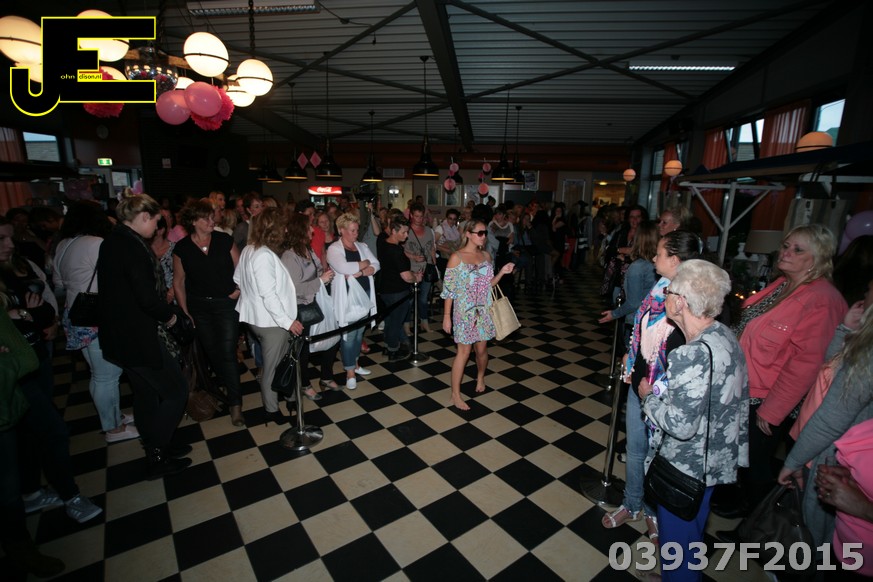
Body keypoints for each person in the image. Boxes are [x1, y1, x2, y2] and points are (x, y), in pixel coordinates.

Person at [713, 224, 848, 519]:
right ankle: (743, 506)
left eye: (798, 250)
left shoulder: (822, 299)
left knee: (759, 466)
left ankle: (760, 528)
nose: (786, 253)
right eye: (786, 246)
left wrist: (772, 410)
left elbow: (807, 364)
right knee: (743, 459)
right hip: (747, 387)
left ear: (818, 258)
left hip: (769, 398)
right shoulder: (783, 283)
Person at [638, 260, 749, 582]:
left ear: (680, 302)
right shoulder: (724, 335)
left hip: (687, 467)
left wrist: (648, 398)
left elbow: (680, 425)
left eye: (669, 292)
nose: (665, 297)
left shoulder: (691, 355)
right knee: (690, 537)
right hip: (714, 460)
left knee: (679, 547)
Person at [601, 230, 702, 541]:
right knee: (635, 449)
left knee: (658, 456)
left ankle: (654, 511)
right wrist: (631, 359)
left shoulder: (695, 299)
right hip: (639, 381)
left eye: (659, 253)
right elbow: (641, 327)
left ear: (675, 260)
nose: (654, 257)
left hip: (666, 393)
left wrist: (655, 387)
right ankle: (632, 503)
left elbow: (693, 354)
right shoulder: (660, 287)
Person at [97, 195, 192, 481]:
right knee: (176, 390)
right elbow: (146, 299)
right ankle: (158, 453)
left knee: (146, 393)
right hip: (136, 335)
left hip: (120, 335)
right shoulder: (131, 247)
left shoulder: (113, 241)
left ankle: (158, 444)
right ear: (143, 217)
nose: (157, 227)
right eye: (155, 220)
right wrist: (172, 318)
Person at [776, 276, 873, 552]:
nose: (865, 296)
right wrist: (846, 329)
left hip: (830, 453)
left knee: (818, 534)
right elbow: (830, 368)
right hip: (815, 442)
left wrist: (793, 461)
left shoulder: (869, 354)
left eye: (869, 289)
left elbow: (832, 419)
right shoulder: (863, 342)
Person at [53, 202, 138, 443]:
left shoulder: (63, 244)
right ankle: (113, 429)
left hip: (76, 315)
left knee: (98, 374)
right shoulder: (96, 243)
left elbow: (58, 283)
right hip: (98, 316)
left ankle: (114, 417)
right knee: (107, 375)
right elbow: (114, 279)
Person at [0, 310, 66, 578]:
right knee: (7, 489)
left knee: (12, 478)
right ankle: (20, 549)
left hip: (9, 400)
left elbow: (27, 357)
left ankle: (22, 538)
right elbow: (25, 359)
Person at [173, 200, 245, 427]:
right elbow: (179, 282)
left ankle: (235, 404)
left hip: (226, 305)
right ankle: (226, 386)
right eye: (206, 218)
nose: (212, 221)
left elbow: (242, 269)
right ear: (193, 221)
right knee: (213, 353)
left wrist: (239, 290)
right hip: (200, 308)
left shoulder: (224, 240)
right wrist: (185, 312)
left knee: (227, 352)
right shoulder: (182, 248)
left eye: (212, 217)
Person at [235, 207, 304, 425]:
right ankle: (271, 410)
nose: (286, 230)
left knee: (281, 362)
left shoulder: (249, 249)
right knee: (273, 367)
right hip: (271, 322)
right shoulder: (263, 254)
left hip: (258, 319)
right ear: (274, 229)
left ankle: (290, 398)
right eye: (283, 227)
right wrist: (288, 322)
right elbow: (269, 295)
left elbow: (238, 279)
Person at [441, 220, 514, 411]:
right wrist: (447, 316)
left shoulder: (486, 256)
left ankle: (480, 376)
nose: (484, 236)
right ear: (468, 234)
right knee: (463, 353)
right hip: (463, 312)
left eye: (485, 233)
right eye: (480, 233)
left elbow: (489, 284)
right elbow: (449, 290)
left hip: (484, 310)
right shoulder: (456, 258)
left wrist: (502, 273)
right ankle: (455, 394)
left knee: (481, 351)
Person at [280, 212, 340, 398]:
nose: (312, 230)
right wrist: (320, 281)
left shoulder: (308, 250)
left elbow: (318, 269)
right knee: (303, 349)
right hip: (301, 307)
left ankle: (326, 376)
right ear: (300, 230)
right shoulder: (289, 256)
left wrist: (324, 276)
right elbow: (294, 288)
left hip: (317, 300)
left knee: (331, 337)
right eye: (308, 227)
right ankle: (304, 384)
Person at [327, 212, 380, 390]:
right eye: (352, 230)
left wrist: (363, 270)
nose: (356, 234)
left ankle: (355, 364)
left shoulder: (361, 246)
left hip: (364, 294)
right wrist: (364, 263)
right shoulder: (334, 249)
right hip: (347, 298)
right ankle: (349, 371)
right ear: (341, 230)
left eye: (357, 230)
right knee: (348, 335)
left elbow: (376, 264)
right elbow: (343, 267)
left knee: (359, 333)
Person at [598, 220, 659, 343]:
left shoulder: (637, 267)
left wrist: (614, 314)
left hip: (638, 320)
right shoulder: (657, 263)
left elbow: (633, 303)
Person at [377, 215, 421, 362]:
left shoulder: (383, 243)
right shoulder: (396, 250)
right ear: (394, 231)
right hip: (397, 291)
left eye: (407, 232)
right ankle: (393, 350)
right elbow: (406, 277)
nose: (406, 235)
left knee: (390, 320)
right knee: (395, 322)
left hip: (385, 289)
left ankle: (389, 346)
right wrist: (416, 278)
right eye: (403, 232)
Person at [404, 203, 436, 333]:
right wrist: (413, 257)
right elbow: (400, 250)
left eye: (421, 216)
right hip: (411, 268)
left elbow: (432, 247)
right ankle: (406, 324)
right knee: (410, 299)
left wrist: (434, 263)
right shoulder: (406, 230)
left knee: (423, 298)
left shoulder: (428, 230)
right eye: (416, 216)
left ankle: (424, 321)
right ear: (411, 215)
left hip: (426, 268)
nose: (419, 219)